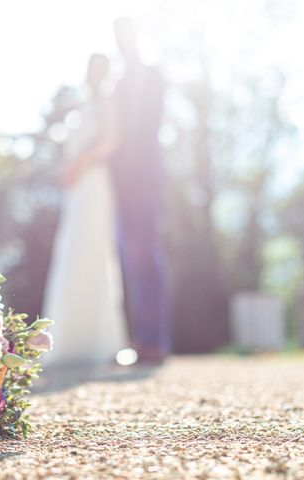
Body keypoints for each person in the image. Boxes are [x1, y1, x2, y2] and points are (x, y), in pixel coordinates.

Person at [42, 54, 129, 368]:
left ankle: (100, 340)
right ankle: (67, 340)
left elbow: (111, 140)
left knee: (92, 251)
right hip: (77, 188)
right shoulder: (81, 107)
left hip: (94, 182)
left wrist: (79, 164)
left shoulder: (107, 100)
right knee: (71, 253)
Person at [109, 17, 170, 363]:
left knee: (149, 255)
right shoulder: (117, 83)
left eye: (127, 35)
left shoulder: (152, 74)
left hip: (146, 175)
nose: (123, 42)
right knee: (131, 258)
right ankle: (142, 338)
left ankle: (156, 340)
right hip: (122, 180)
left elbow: (149, 126)